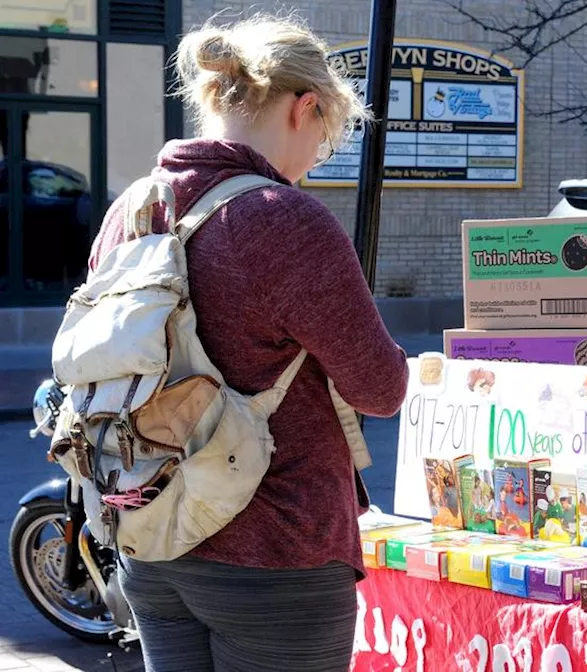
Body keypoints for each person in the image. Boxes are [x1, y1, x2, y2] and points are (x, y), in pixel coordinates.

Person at [93, 13, 409, 672]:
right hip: (274, 553)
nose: (318, 157)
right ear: (305, 108)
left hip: (150, 535)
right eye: (326, 136)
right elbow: (380, 390)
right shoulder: (284, 220)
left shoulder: (133, 209)